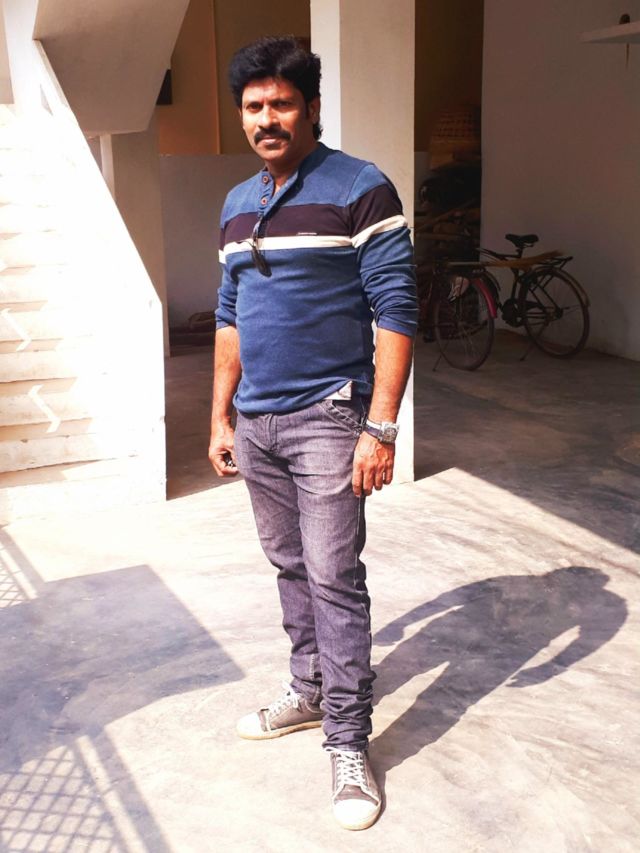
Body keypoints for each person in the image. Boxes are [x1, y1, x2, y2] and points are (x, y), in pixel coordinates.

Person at [209, 36, 417, 831]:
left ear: (311, 107)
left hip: (330, 416)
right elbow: (229, 316)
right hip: (256, 421)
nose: (267, 119)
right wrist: (220, 415)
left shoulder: (360, 186)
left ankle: (348, 739)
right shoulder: (236, 203)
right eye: (253, 106)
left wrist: (380, 426)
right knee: (290, 565)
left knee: (334, 575)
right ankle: (309, 688)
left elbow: (396, 308)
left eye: (282, 104)